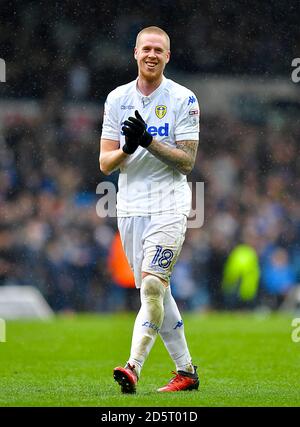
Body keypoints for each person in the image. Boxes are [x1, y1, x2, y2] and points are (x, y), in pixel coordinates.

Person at [99, 26, 200, 393]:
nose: (152, 55)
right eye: (147, 49)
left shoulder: (184, 99)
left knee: (154, 284)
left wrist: (148, 141)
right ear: (135, 53)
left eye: (159, 49)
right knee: (156, 292)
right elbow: (105, 164)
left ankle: (133, 367)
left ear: (167, 56)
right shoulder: (116, 99)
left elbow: (187, 161)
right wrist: (128, 148)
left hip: (169, 206)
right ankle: (186, 372)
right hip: (129, 208)